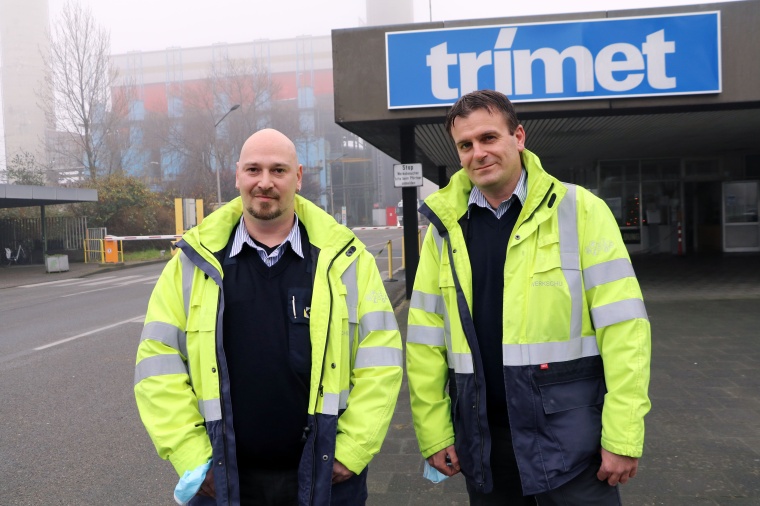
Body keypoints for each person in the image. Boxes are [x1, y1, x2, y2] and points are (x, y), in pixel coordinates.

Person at [406, 90, 651, 505]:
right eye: (465, 145)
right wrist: (435, 431)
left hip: (573, 445)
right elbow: (425, 341)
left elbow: (625, 330)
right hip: (486, 446)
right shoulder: (443, 230)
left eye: (488, 138)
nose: (477, 153)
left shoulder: (582, 211)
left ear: (518, 136)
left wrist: (623, 434)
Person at [135, 128, 403, 505]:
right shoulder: (192, 264)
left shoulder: (346, 259)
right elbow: (157, 366)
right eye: (253, 170)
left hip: (328, 477)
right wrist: (194, 460)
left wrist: (353, 450)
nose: (265, 182)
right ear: (237, 176)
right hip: (224, 482)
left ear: (298, 177)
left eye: (278, 170)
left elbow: (381, 361)